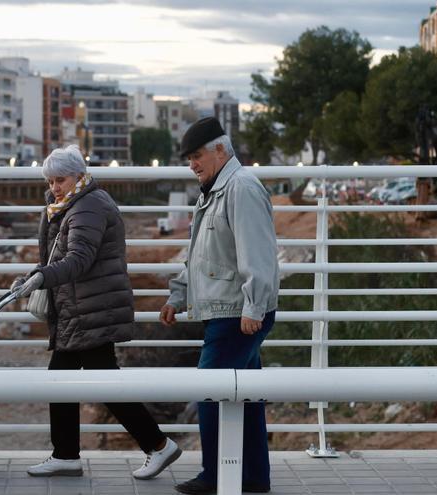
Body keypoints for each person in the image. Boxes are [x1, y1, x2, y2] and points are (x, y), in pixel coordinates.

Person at [12, 144, 182, 480]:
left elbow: (78, 259)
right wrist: (34, 276)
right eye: (50, 181)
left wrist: (42, 277)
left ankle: (157, 445)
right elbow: (56, 257)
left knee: (96, 382)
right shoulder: (69, 204)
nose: (54, 187)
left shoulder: (88, 206)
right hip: (81, 309)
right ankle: (68, 455)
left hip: (92, 309)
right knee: (68, 379)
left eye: (60, 180)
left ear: (79, 175)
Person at [159, 117, 280, 495]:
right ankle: (254, 476)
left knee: (210, 391)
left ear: (221, 150)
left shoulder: (240, 188)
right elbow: (201, 256)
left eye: (197, 156)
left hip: (237, 313)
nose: (192, 164)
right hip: (229, 309)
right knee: (247, 396)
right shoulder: (214, 190)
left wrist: (254, 308)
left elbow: (258, 254)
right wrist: (178, 295)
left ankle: (214, 475)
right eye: (188, 158)